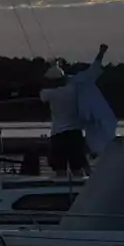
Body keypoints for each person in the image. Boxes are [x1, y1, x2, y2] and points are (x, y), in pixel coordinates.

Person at [40, 43, 107, 178]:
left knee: (60, 171)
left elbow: (42, 93)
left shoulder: (48, 94)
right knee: (78, 169)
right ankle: (82, 187)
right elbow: (92, 73)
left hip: (58, 136)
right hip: (74, 135)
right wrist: (101, 53)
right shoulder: (73, 90)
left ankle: (61, 188)